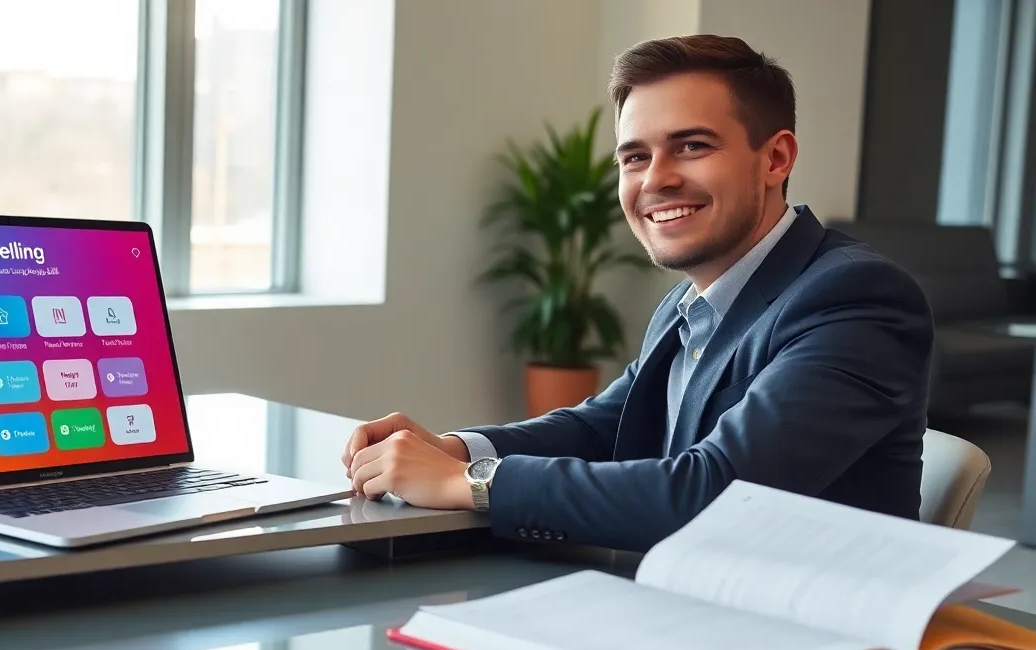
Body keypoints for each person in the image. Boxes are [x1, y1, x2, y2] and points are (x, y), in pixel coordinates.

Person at [340, 34, 935, 552]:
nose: (656, 179)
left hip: (811, 629)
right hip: (691, 598)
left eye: (692, 146)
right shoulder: (691, 303)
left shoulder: (855, 297)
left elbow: (718, 492)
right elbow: (604, 428)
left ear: (775, 158)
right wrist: (456, 450)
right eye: (635, 157)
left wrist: (470, 484)